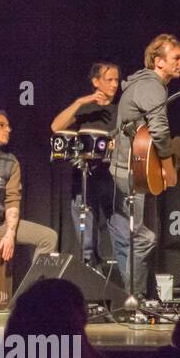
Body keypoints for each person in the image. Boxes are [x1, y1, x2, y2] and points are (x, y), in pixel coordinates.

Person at [110, 34, 180, 300]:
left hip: (132, 169)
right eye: (176, 58)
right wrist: (168, 167)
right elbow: (160, 131)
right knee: (143, 238)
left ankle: (130, 298)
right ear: (158, 61)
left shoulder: (144, 83)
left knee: (132, 238)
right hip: (132, 171)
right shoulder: (152, 85)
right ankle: (134, 300)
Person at [0, 110, 57, 309]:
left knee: (48, 237)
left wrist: (11, 232)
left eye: (8, 125)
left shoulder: (11, 161)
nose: (8, 129)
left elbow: (13, 199)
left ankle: (31, 299)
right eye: (1, 125)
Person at [50, 62, 120, 265]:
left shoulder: (120, 111)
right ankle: (91, 283)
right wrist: (81, 101)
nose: (115, 84)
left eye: (116, 80)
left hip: (111, 180)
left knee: (122, 235)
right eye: (109, 80)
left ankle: (121, 285)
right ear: (96, 82)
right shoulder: (85, 109)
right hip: (83, 180)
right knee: (86, 242)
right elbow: (56, 126)